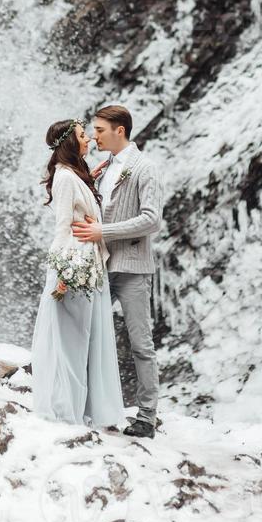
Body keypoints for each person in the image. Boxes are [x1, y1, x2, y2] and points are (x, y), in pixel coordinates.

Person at [72, 105, 164, 439]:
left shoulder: (144, 168)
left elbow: (152, 219)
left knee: (141, 343)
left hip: (133, 268)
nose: (94, 136)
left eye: (99, 130)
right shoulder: (106, 166)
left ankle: (147, 416)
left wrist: (103, 232)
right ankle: (78, 399)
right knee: (81, 327)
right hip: (102, 263)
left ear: (119, 131)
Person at [30, 118, 126, 429]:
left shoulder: (73, 176)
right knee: (73, 341)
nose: (89, 141)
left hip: (86, 264)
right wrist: (61, 272)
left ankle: (77, 409)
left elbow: (80, 207)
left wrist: (89, 178)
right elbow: (62, 228)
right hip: (74, 264)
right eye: (84, 136)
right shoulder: (65, 178)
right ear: (71, 142)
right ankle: (65, 412)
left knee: (83, 340)